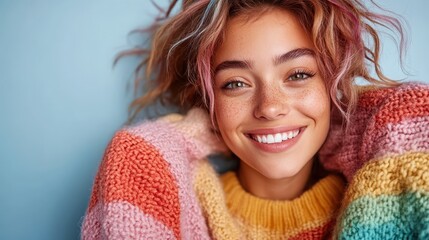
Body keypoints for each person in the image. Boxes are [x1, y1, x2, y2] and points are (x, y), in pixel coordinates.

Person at [81, 0, 429, 239]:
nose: (270, 107)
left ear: (333, 84)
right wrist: (147, 147)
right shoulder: (185, 211)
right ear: (208, 103)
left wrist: (364, 116)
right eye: (236, 84)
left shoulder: (385, 199)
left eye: (298, 75)